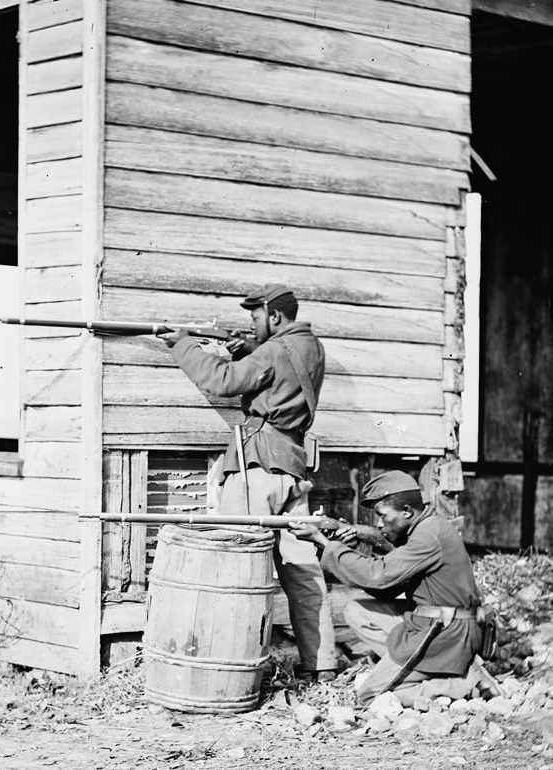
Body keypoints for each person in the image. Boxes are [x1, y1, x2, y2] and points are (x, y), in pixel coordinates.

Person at [157, 284, 337, 681]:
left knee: (239, 568)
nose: (252, 325)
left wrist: (184, 345)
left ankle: (232, 669)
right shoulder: (310, 346)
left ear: (274, 317)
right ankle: (321, 665)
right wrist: (248, 352)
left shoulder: (272, 351)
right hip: (292, 469)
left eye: (256, 318)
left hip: (257, 469)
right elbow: (279, 379)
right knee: (302, 570)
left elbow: (220, 381)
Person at [289, 470, 486, 706]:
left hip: (445, 633)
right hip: (434, 624)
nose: (380, 523)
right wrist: (352, 536)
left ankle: (459, 683)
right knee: (357, 610)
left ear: (406, 511)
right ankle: (426, 668)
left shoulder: (428, 536)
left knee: (367, 695)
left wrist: (323, 542)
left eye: (383, 516)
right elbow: (387, 587)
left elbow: (378, 576)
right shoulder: (427, 527)